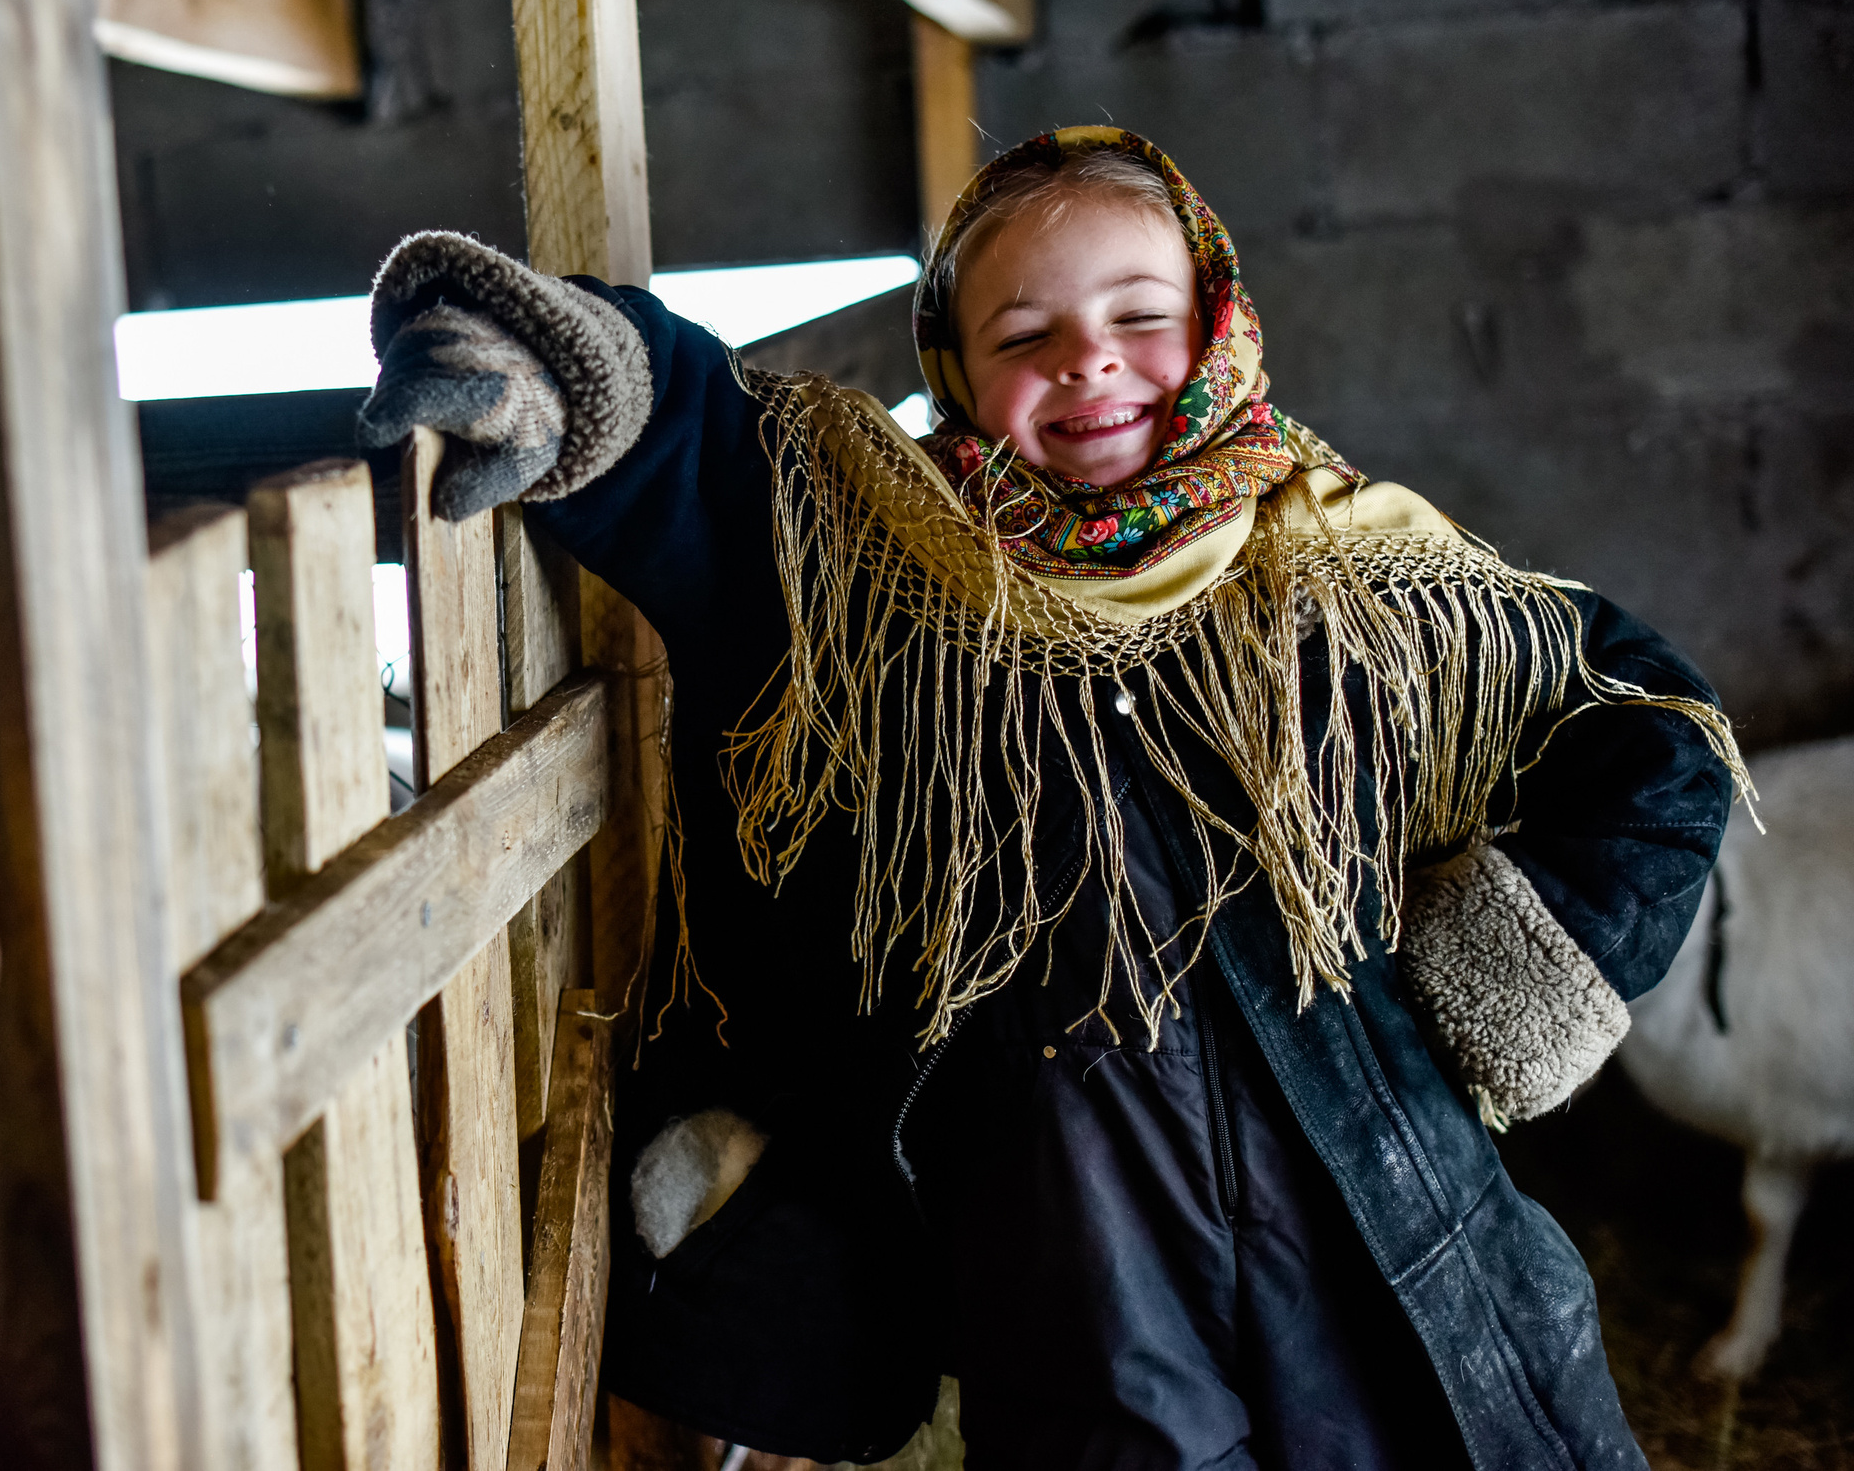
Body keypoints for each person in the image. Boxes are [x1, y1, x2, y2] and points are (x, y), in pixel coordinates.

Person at [356, 127, 1747, 1470]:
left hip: (1400, 1254)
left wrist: (1507, 969)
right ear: (956, 369)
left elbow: (1651, 727)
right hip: (1081, 1295)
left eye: (1138, 314)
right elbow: (705, 441)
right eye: (1024, 336)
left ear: (1217, 328)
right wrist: (553, 359)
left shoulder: (1366, 583)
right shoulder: (878, 581)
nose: (1088, 358)